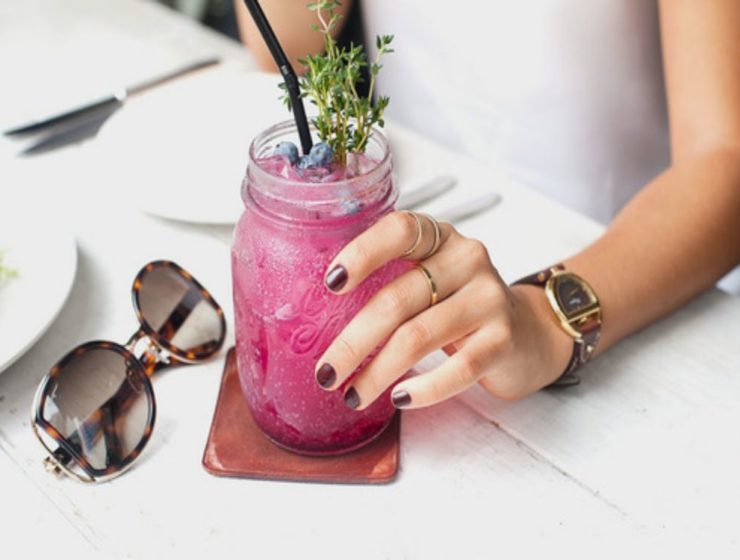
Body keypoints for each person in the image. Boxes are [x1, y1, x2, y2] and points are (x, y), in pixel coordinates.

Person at [234, 0, 740, 409]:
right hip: (402, 247)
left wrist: (546, 317)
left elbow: (726, 159)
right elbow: (289, 45)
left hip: (632, 270)